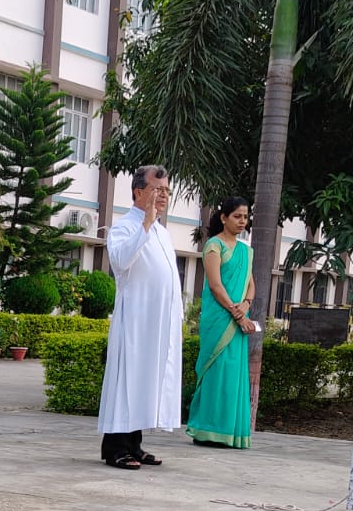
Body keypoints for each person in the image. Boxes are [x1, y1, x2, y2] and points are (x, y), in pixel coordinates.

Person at [96, 164, 184, 469]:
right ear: (138, 192)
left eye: (167, 190)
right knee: (127, 381)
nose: (163, 196)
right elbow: (121, 261)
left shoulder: (162, 232)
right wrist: (146, 222)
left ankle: (134, 445)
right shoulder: (124, 227)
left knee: (144, 382)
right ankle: (115, 448)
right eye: (157, 189)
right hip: (134, 320)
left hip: (157, 323)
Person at [185, 196, 255, 449]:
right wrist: (239, 315)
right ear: (224, 218)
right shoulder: (214, 246)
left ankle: (231, 433)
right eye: (237, 216)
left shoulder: (246, 251)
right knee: (216, 371)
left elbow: (251, 284)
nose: (242, 221)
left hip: (238, 321)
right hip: (219, 320)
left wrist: (246, 305)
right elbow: (215, 285)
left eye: (245, 217)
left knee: (234, 375)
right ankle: (207, 430)